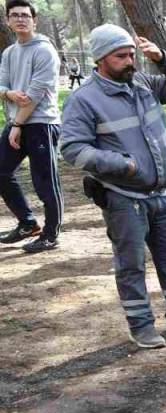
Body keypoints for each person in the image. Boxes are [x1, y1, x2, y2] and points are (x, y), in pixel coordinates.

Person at [60, 24, 166, 349]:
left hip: (163, 194)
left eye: (131, 54)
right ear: (101, 58)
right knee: (131, 264)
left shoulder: (142, 82)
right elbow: (72, 149)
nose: (130, 60)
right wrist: (123, 164)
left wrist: (162, 59)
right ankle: (142, 325)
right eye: (121, 56)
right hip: (123, 197)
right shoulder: (84, 99)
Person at [0, 0, 63, 254]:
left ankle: (50, 235)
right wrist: (9, 94)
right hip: (17, 122)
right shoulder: (9, 53)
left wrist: (16, 124)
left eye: (26, 15)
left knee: (45, 182)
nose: (20, 19)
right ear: (7, 21)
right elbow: (1, 85)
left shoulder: (45, 51)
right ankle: (27, 223)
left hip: (41, 124)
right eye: (14, 15)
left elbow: (35, 95)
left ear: (34, 21)